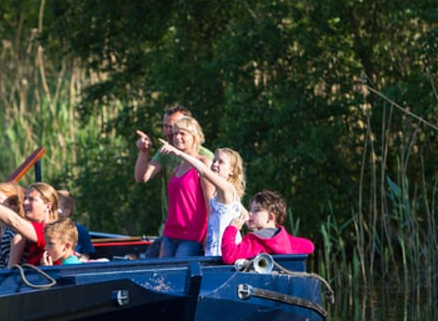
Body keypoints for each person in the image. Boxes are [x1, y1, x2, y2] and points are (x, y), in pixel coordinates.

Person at [134, 105, 213, 257]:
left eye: (178, 131)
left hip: (192, 233)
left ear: (193, 133)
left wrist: (210, 235)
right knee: (154, 270)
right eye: (167, 127)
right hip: (169, 231)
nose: (172, 134)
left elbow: (212, 202)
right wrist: (144, 152)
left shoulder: (205, 159)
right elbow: (141, 177)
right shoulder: (168, 154)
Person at [161, 145, 246, 256]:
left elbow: (203, 170)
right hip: (213, 249)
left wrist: (179, 153)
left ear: (232, 171)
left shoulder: (227, 189)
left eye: (221, 162)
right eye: (214, 160)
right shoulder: (220, 191)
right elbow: (245, 214)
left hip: (223, 251)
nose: (215, 164)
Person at [0, 179, 59, 266]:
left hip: (56, 282)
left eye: (31, 199)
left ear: (48, 206)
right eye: (25, 198)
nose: (25, 203)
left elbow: (14, 221)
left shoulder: (48, 229)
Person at [220, 190, 315, 264]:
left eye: (256, 210)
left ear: (270, 217)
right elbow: (309, 246)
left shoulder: (255, 241)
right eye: (251, 210)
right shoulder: (283, 238)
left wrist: (232, 229)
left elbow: (229, 255)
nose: (250, 213)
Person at [57, 190, 95, 260]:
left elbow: (85, 256)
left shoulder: (81, 231)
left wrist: (78, 259)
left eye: (55, 207)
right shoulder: (49, 229)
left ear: (66, 212)